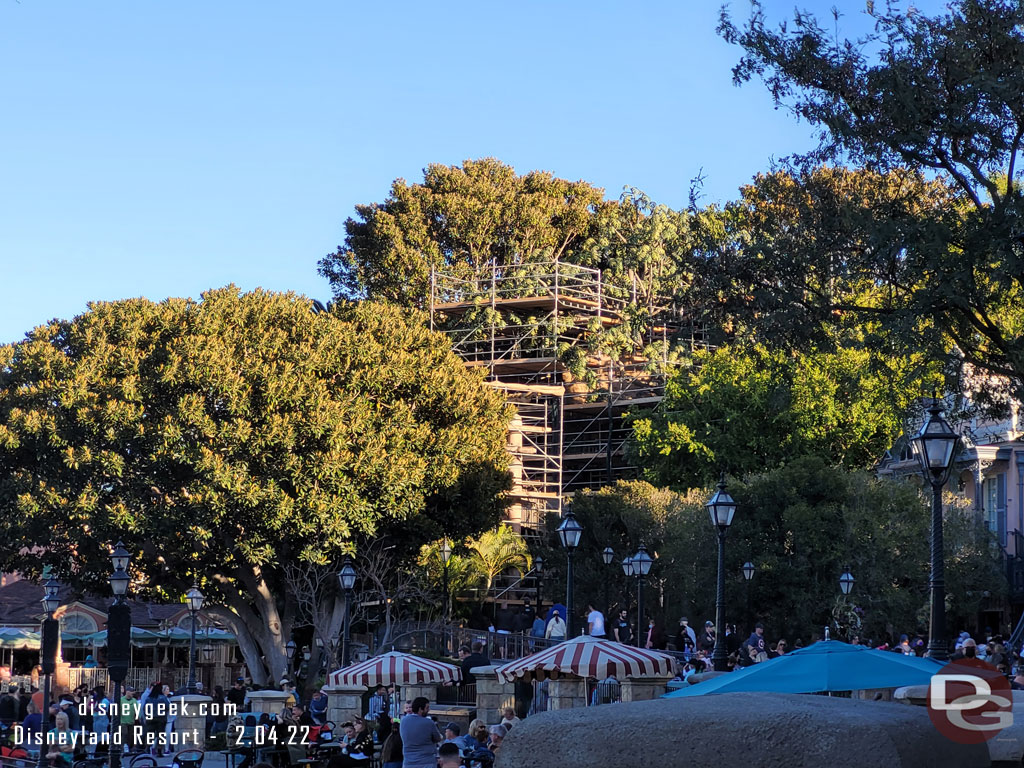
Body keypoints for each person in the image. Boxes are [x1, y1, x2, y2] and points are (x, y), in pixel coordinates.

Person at [398, 697, 440, 768]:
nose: (428, 710)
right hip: (427, 762)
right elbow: (437, 738)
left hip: (408, 762)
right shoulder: (429, 722)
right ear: (420, 709)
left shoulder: (403, 721)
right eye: (427, 708)